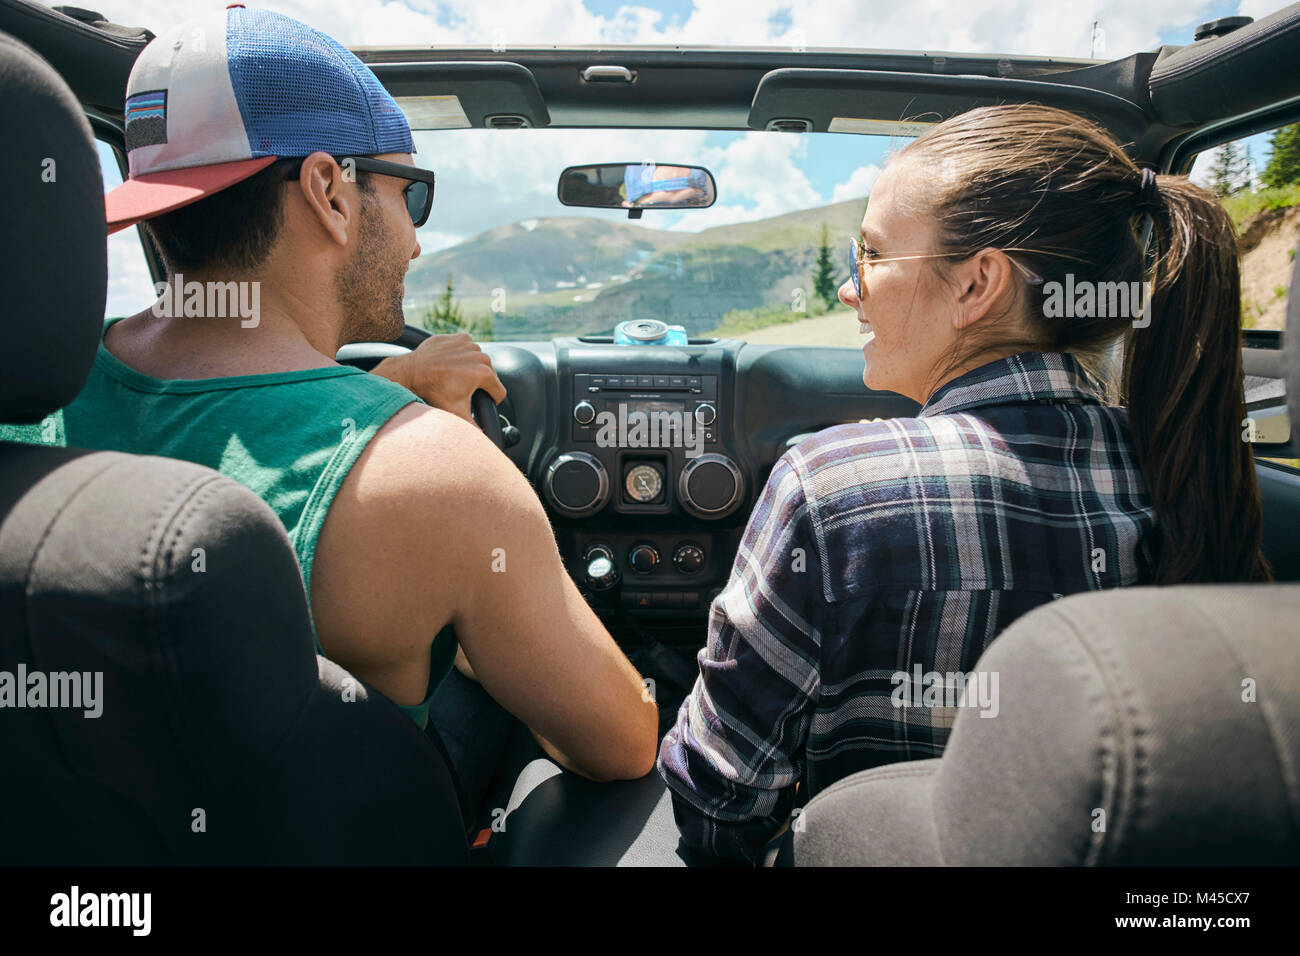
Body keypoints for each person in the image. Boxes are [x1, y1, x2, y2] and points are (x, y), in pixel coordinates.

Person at [0, 7, 657, 798]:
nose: (415, 242)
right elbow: (623, 744)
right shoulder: (444, 478)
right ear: (329, 192)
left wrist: (388, 393)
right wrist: (441, 439)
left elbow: (227, 431)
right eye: (409, 195)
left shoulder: (26, 422)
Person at [657, 103, 1271, 863]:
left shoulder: (829, 488)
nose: (852, 289)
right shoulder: (1187, 470)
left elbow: (717, 799)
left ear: (978, 283)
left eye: (874, 257)